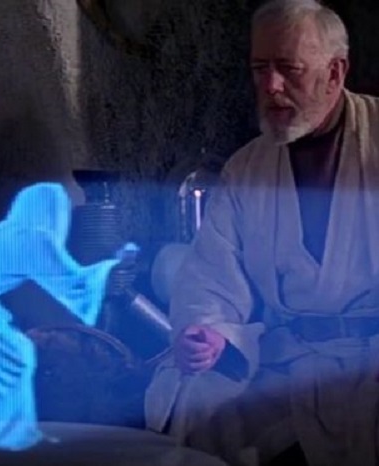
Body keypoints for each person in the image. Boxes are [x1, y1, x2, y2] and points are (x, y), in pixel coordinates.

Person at [144, 1, 379, 465]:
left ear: (335, 73)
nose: (271, 86)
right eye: (259, 69)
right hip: (289, 360)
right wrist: (208, 334)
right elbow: (210, 278)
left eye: (289, 69)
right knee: (195, 407)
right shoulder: (247, 168)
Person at [0, 182, 137, 451]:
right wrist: (113, 266)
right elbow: (72, 283)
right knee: (13, 357)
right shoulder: (33, 237)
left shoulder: (11, 230)